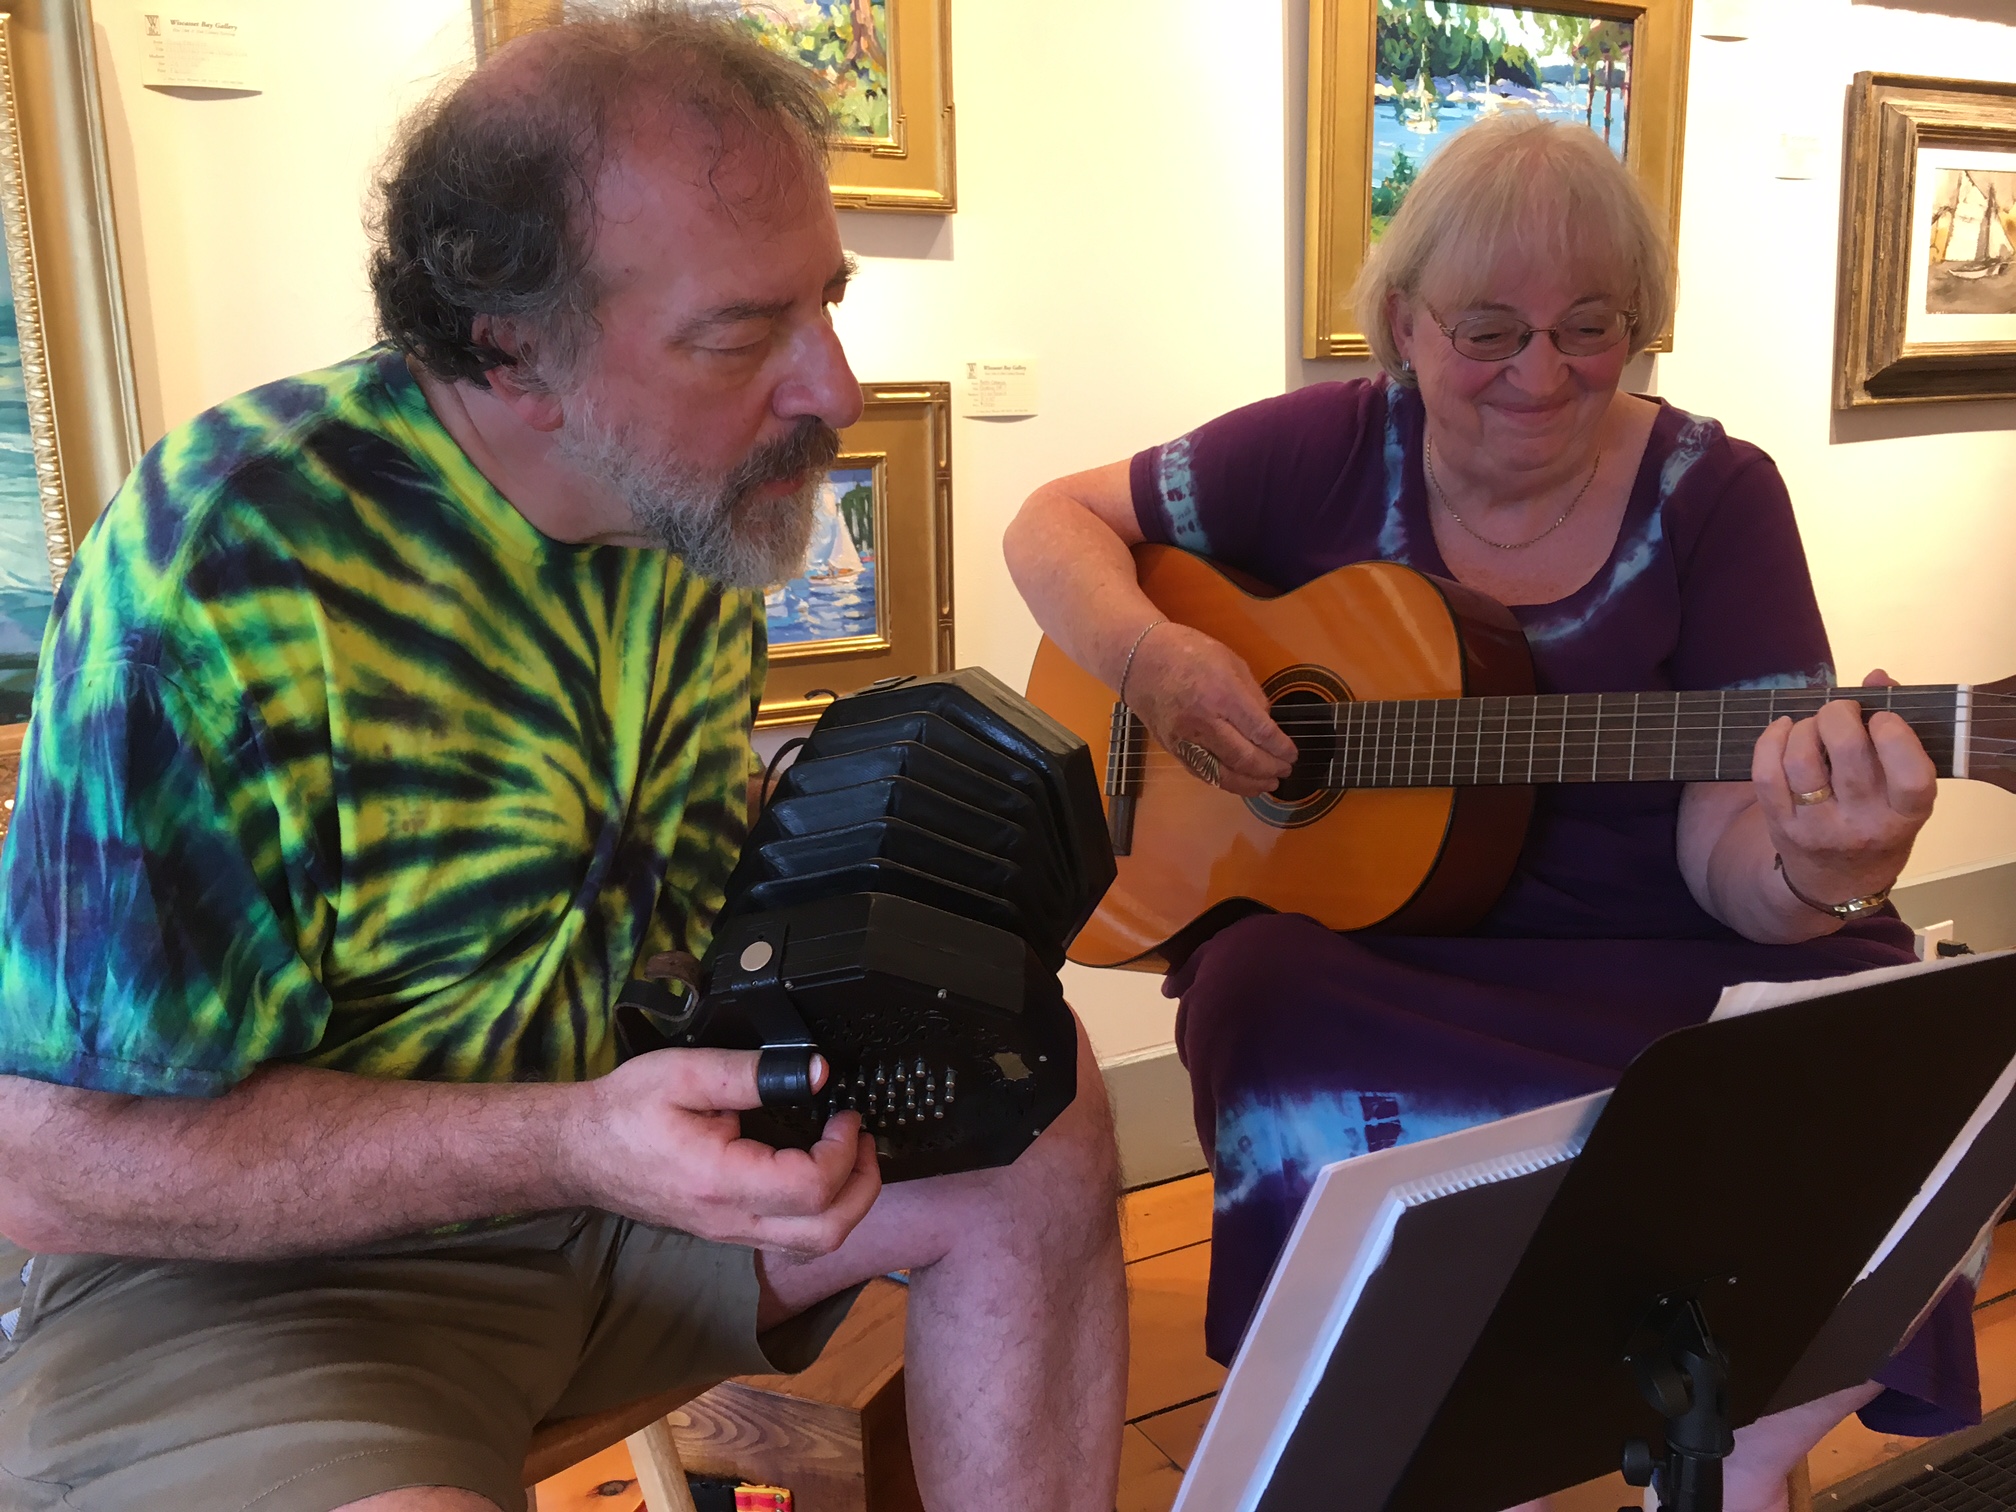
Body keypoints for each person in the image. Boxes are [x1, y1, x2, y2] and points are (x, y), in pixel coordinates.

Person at [0, 9, 1125, 1510]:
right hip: (270, 1294)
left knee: (1040, 1120)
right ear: (512, 347)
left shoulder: (691, 509)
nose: (836, 389)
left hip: (625, 1181)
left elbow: (569, 857)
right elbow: (50, 1162)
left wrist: (784, 811)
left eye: (827, 302)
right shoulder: (227, 571)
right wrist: (578, 1143)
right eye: (742, 331)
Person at [1005, 110, 1966, 1512]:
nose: (1542, 373)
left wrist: (1829, 861)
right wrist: (1154, 656)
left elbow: (1732, 859)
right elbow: (1053, 523)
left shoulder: (1714, 495)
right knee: (1259, 995)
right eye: (1488, 330)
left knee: (1863, 1048)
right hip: (1378, 956)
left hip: (1664, 944)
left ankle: (1731, 1461)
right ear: (1402, 321)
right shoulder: (1323, 449)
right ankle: (1409, 1432)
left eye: (1591, 326)